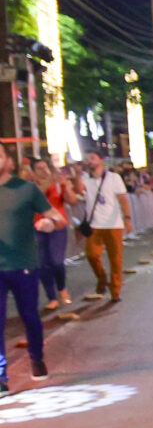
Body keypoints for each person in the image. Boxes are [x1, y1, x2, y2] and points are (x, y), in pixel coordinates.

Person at [0, 148, 54, 391]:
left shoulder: (26, 189)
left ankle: (37, 358)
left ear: (8, 161)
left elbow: (54, 215)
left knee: (30, 316)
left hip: (23, 265)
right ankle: (1, 375)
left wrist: (49, 222)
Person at [80, 148, 131, 303]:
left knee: (116, 259)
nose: (89, 161)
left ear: (101, 160)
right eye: (87, 158)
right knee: (91, 255)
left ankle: (115, 290)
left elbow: (122, 199)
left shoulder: (114, 178)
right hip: (94, 224)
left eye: (92, 158)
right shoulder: (84, 178)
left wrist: (127, 218)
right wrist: (76, 174)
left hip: (114, 224)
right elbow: (77, 190)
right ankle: (102, 277)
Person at [31, 158, 75, 309]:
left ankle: (62, 289)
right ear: (33, 172)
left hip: (57, 227)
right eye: (39, 168)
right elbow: (37, 197)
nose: (44, 171)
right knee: (42, 263)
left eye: (45, 167)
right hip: (38, 228)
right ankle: (52, 297)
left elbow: (72, 200)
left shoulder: (56, 184)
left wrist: (66, 186)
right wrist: (50, 180)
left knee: (57, 261)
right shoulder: (31, 186)